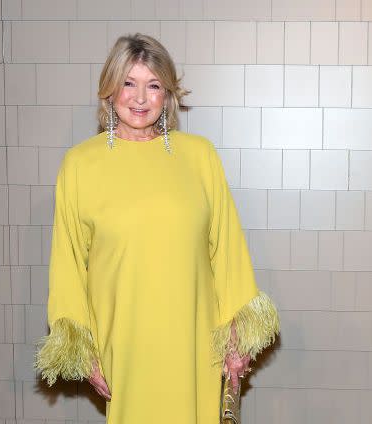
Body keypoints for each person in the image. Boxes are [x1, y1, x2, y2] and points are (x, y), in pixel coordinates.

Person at [34, 33, 280, 424]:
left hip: (195, 342)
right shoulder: (80, 164)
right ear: (110, 90)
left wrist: (237, 335)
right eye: (128, 83)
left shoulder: (199, 156)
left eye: (153, 86)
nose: (140, 98)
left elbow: (227, 248)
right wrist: (82, 349)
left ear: (167, 94)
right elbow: (67, 263)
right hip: (126, 340)